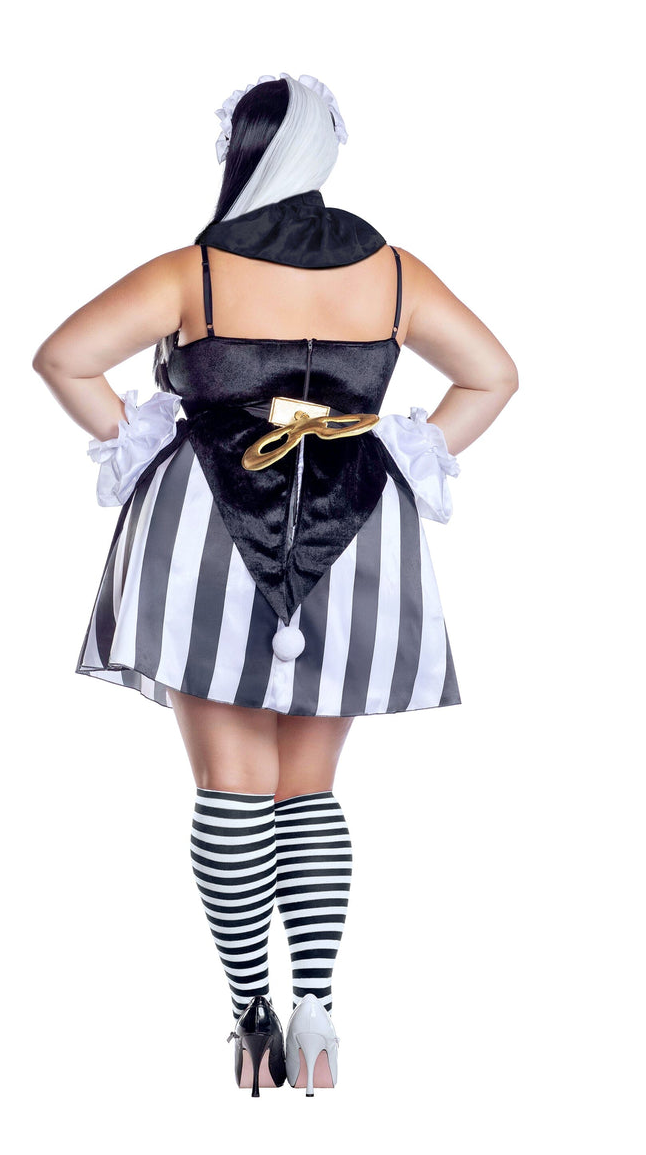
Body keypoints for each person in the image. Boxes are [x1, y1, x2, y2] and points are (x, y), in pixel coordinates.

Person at [32, 72, 519, 1096]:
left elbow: (64, 358)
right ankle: (319, 1016)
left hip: (207, 525)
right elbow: (492, 375)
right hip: (356, 530)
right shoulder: (394, 274)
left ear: (244, 151)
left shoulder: (195, 271)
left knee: (231, 784)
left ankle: (250, 1019)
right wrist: (402, 451)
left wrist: (143, 440)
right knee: (309, 789)